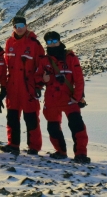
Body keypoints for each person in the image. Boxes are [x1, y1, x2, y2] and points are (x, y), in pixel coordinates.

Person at [39, 31, 90, 164]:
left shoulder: (71, 58)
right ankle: (60, 151)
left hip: (69, 99)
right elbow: (36, 78)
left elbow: (79, 80)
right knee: (53, 128)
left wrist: (77, 97)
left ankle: (81, 154)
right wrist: (43, 79)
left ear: (59, 40)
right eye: (49, 42)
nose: (52, 44)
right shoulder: (44, 60)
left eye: (54, 40)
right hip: (52, 100)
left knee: (77, 126)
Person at [0, 16, 45, 155]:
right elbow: (5, 65)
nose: (19, 28)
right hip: (13, 87)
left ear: (26, 26)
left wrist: (38, 85)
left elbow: (41, 66)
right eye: (16, 26)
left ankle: (34, 147)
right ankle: (13, 144)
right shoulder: (9, 43)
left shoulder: (34, 44)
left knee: (31, 118)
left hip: (28, 88)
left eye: (21, 25)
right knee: (12, 117)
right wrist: (4, 87)